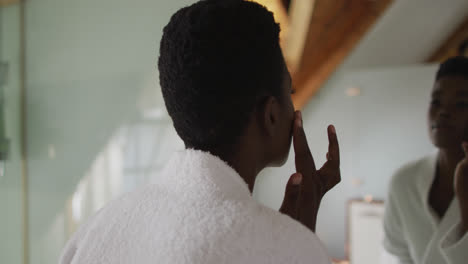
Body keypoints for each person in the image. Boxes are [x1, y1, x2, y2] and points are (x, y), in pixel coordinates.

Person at [59, 0, 341, 263]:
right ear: (270, 115)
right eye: (289, 91)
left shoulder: (97, 230)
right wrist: (295, 240)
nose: (294, 107)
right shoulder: (287, 249)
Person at [383, 56, 468, 264]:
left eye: (461, 103)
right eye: (436, 101)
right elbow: (401, 256)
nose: (443, 112)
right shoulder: (404, 181)